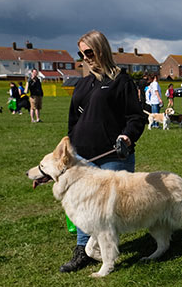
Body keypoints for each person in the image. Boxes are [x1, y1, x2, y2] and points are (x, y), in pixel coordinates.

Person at [60, 29, 147, 273]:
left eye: (89, 52)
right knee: (83, 205)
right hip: (83, 159)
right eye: (81, 53)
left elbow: (136, 117)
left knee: (107, 212)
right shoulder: (83, 84)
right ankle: (82, 250)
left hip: (112, 157)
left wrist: (127, 137)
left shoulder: (121, 81)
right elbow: (73, 122)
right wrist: (69, 149)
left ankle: (105, 253)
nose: (85, 57)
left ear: (101, 50)